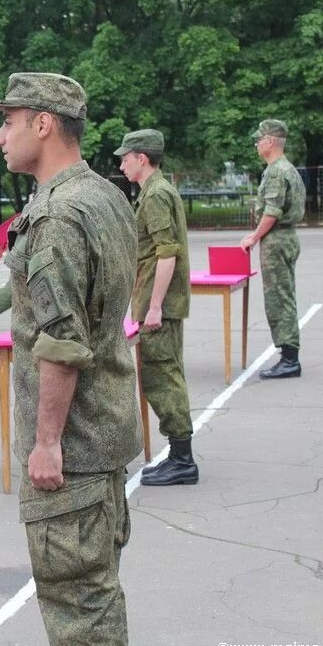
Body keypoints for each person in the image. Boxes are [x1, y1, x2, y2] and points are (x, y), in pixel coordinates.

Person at [0, 72, 139, 646]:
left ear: (43, 125)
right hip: (105, 432)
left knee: (78, 613)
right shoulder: (103, 193)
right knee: (96, 597)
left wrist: (46, 442)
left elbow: (62, 343)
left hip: (72, 452)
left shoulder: (59, 216)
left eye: (9, 122)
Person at [115, 129, 198, 486]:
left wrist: (154, 307)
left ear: (141, 159)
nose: (122, 164)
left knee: (162, 377)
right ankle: (179, 454)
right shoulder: (155, 191)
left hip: (158, 305)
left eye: (125, 158)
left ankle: (182, 459)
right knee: (161, 375)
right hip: (154, 300)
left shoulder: (156, 195)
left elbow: (167, 253)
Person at [240, 119, 305, 379]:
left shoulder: (277, 171)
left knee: (279, 299)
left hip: (277, 240)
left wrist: (253, 237)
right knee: (283, 295)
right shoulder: (285, 168)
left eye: (259, 139)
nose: (256, 144)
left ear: (269, 142)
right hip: (284, 238)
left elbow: (272, 212)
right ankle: (288, 355)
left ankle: (290, 359)